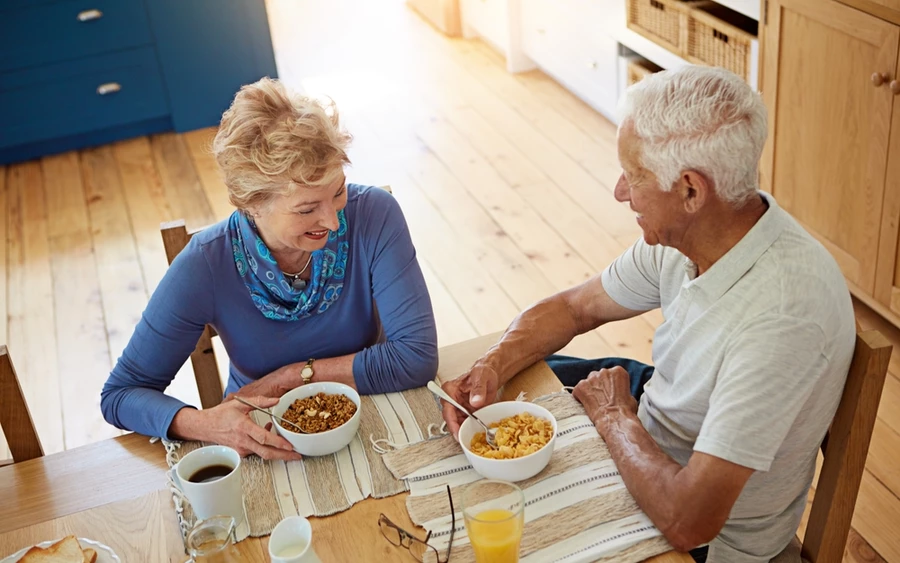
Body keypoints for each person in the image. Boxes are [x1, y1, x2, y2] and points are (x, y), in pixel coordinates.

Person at [439, 66, 855, 563]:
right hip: (659, 416)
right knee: (511, 395)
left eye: (633, 176)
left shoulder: (782, 319)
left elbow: (689, 521)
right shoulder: (695, 236)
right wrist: (494, 362)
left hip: (708, 540)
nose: (619, 192)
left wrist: (615, 417)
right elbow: (574, 307)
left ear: (691, 191)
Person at [102, 78, 439, 461]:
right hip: (262, 440)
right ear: (252, 204)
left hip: (371, 423)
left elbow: (416, 357)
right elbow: (121, 394)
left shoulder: (375, 213)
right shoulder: (205, 263)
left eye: (338, 191)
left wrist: (290, 377)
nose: (332, 222)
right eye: (307, 208)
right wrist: (204, 422)